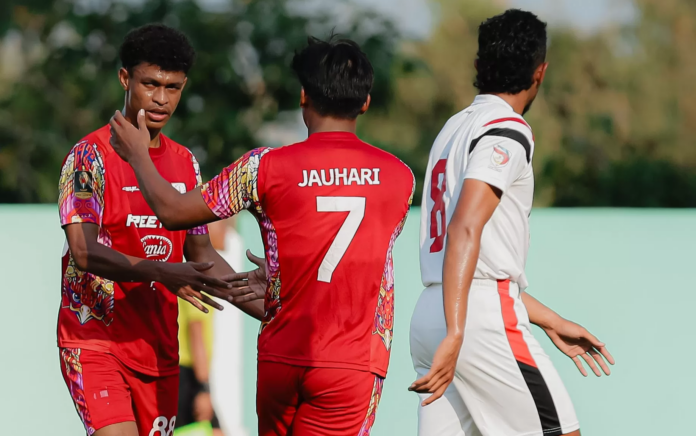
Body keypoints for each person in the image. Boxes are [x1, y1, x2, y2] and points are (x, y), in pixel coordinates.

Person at [108, 36, 415, 436]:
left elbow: (172, 211)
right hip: (350, 364)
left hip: (280, 360)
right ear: (366, 102)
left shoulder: (262, 167)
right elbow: (357, 258)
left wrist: (138, 156)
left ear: (303, 97)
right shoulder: (400, 178)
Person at [408, 10, 615, 436]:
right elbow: (465, 227)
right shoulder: (506, 130)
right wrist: (459, 330)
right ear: (540, 72)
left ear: (479, 67)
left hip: (432, 310)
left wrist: (550, 319)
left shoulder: (452, 128)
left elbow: (475, 257)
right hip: (472, 320)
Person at [57, 24, 263, 436]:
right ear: (124, 79)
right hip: (96, 343)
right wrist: (162, 271)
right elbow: (84, 252)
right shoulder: (87, 157)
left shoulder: (186, 163)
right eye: (150, 84)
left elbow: (201, 256)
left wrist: (271, 305)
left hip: (160, 352)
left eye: (173, 87)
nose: (161, 99)